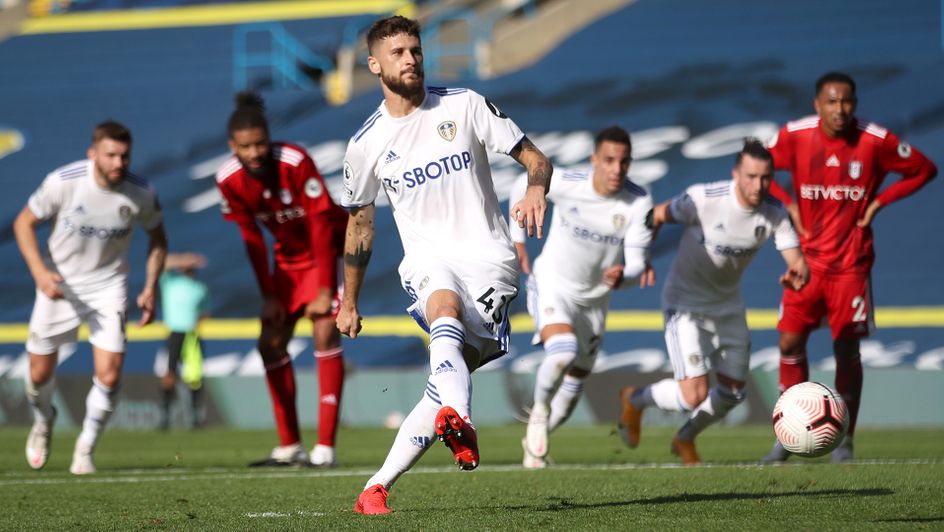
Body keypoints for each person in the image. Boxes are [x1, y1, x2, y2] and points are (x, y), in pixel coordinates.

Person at [337, 15, 551, 514]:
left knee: (446, 381)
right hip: (429, 260)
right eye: (397, 53)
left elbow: (536, 158)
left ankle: (376, 487)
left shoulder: (465, 104)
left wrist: (536, 187)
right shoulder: (365, 144)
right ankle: (462, 423)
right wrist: (349, 301)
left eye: (415, 49)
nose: (410, 58)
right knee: (444, 310)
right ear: (374, 65)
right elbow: (360, 228)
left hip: (491, 260)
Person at [761, 72, 937, 463]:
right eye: (832, 102)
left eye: (847, 102)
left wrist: (880, 201)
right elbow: (754, 165)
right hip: (805, 263)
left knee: (846, 347)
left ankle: (846, 439)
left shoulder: (876, 140)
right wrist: (785, 202)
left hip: (850, 266)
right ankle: (786, 434)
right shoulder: (795, 135)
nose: (840, 110)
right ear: (817, 104)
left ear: (855, 104)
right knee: (789, 343)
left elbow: (924, 169)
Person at [617, 139, 808, 465]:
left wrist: (797, 273)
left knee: (733, 392)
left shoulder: (775, 213)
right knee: (694, 394)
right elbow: (656, 214)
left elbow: (797, 261)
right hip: (685, 303)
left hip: (728, 306)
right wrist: (641, 257)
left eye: (765, 178)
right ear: (736, 173)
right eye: (750, 176)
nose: (758, 185)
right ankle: (636, 398)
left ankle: (684, 438)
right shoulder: (703, 199)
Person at [14, 120, 168, 474]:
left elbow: (158, 239)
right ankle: (44, 420)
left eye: (124, 156)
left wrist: (150, 286)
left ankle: (84, 450)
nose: (118, 163)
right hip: (59, 284)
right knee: (38, 376)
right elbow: (23, 223)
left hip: (108, 287)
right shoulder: (63, 182)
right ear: (93, 153)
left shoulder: (141, 192)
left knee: (110, 375)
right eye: (111, 155)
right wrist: (40, 273)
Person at [215, 92, 349, 467]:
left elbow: (322, 224)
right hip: (287, 261)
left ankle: (325, 449)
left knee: (324, 331)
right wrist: (268, 295)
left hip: (329, 252)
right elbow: (252, 239)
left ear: (269, 138)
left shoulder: (294, 161)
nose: (255, 152)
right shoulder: (228, 180)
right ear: (232, 146)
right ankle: (289, 445)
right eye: (246, 146)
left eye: (260, 143)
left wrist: (324, 290)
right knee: (270, 343)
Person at [511, 126, 654, 469]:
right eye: (608, 160)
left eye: (623, 162)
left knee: (575, 385)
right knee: (563, 352)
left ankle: (534, 448)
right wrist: (517, 239)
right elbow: (523, 183)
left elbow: (636, 266)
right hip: (553, 284)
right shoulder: (566, 182)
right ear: (594, 160)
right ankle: (539, 411)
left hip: (595, 301)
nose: (616, 169)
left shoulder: (638, 200)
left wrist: (625, 276)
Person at [158, 252, 210, 430]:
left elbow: (205, 312)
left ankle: (196, 419)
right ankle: (165, 418)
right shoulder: (170, 283)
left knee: (194, 377)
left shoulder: (200, 288)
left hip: (192, 335)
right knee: (170, 375)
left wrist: (199, 320)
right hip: (175, 333)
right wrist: (184, 259)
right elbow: (161, 262)